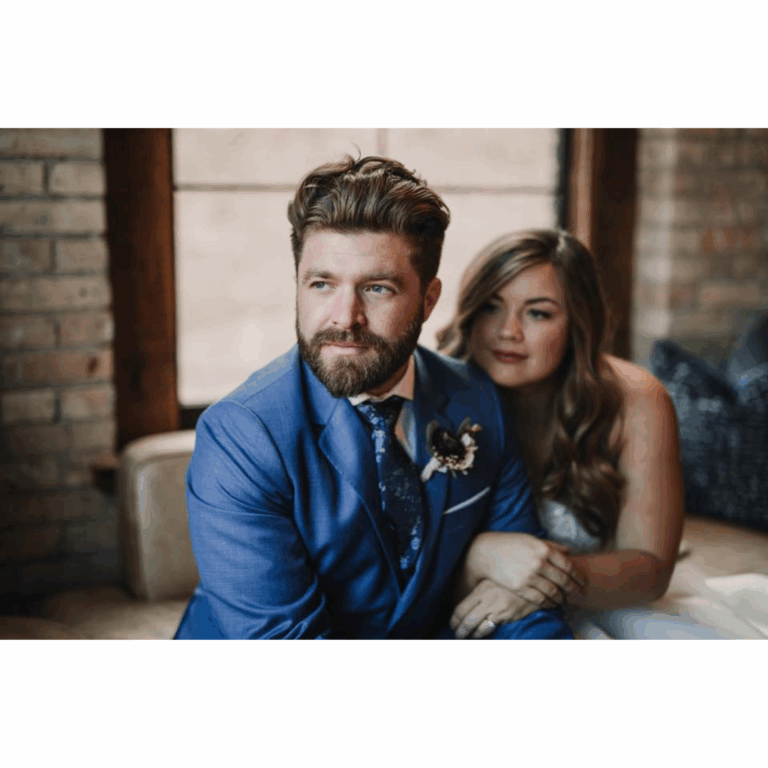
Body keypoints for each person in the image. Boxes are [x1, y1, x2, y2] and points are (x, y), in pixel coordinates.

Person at [174, 158, 572, 639]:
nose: (345, 318)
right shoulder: (241, 435)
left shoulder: (478, 398)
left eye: (377, 288)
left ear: (427, 300)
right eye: (322, 284)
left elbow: (521, 597)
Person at [436, 229, 729, 639]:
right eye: (490, 307)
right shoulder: (434, 395)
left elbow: (652, 567)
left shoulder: (638, 401)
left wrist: (542, 586)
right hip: (467, 608)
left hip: (608, 604)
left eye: (538, 313)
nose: (508, 331)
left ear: (577, 322)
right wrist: (478, 558)